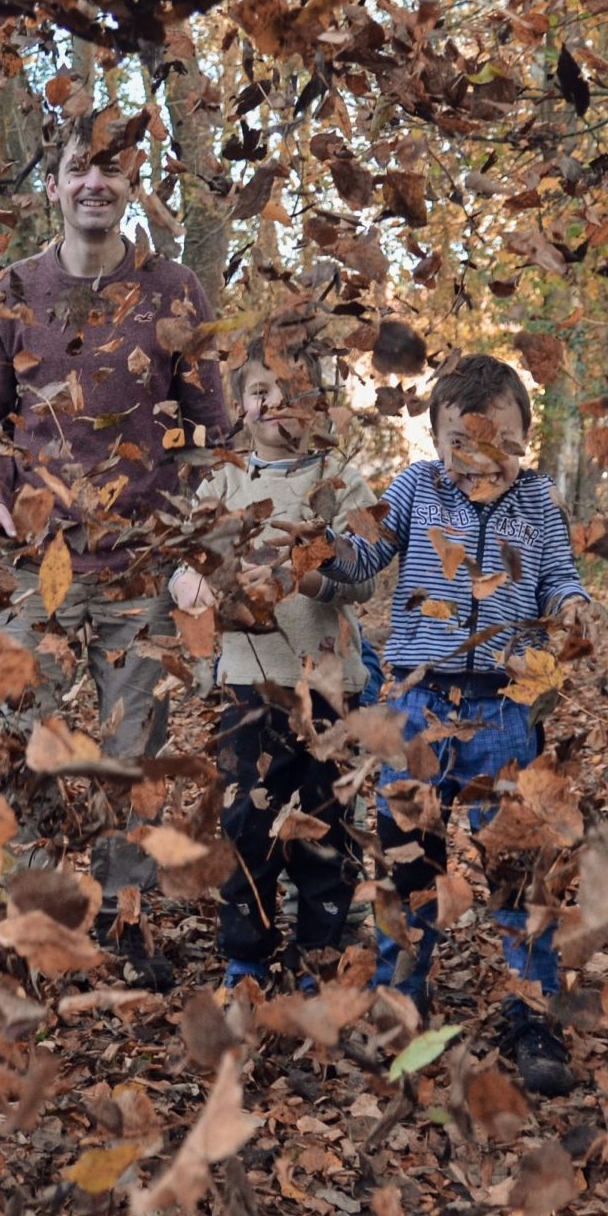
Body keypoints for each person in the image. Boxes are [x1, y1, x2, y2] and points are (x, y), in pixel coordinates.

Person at [0, 132, 230, 986]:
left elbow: (211, 432)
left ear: (130, 184)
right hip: (34, 565)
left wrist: (192, 543)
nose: (94, 182)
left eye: (110, 169)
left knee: (131, 756)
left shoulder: (174, 289)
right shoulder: (14, 290)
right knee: (20, 744)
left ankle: (127, 919)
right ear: (53, 187)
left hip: (139, 571)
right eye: (78, 168)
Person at [331, 351, 594, 1095]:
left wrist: (573, 607)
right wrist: (318, 551)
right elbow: (364, 555)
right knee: (409, 857)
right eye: (461, 444)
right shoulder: (416, 489)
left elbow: (559, 575)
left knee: (519, 862)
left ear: (524, 439)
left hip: (505, 709)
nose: (480, 459)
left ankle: (531, 1007)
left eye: (499, 442)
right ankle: (400, 999)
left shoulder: (538, 502)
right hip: (418, 702)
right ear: (436, 442)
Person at [171, 353, 380, 993]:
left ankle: (320, 950)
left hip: (330, 686)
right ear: (241, 407)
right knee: (246, 824)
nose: (276, 400)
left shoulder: (342, 484)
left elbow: (367, 576)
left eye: (291, 389)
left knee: (327, 824)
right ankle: (247, 954)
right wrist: (190, 585)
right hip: (247, 685)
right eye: (260, 389)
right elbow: (185, 562)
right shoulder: (223, 486)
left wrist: (304, 572)